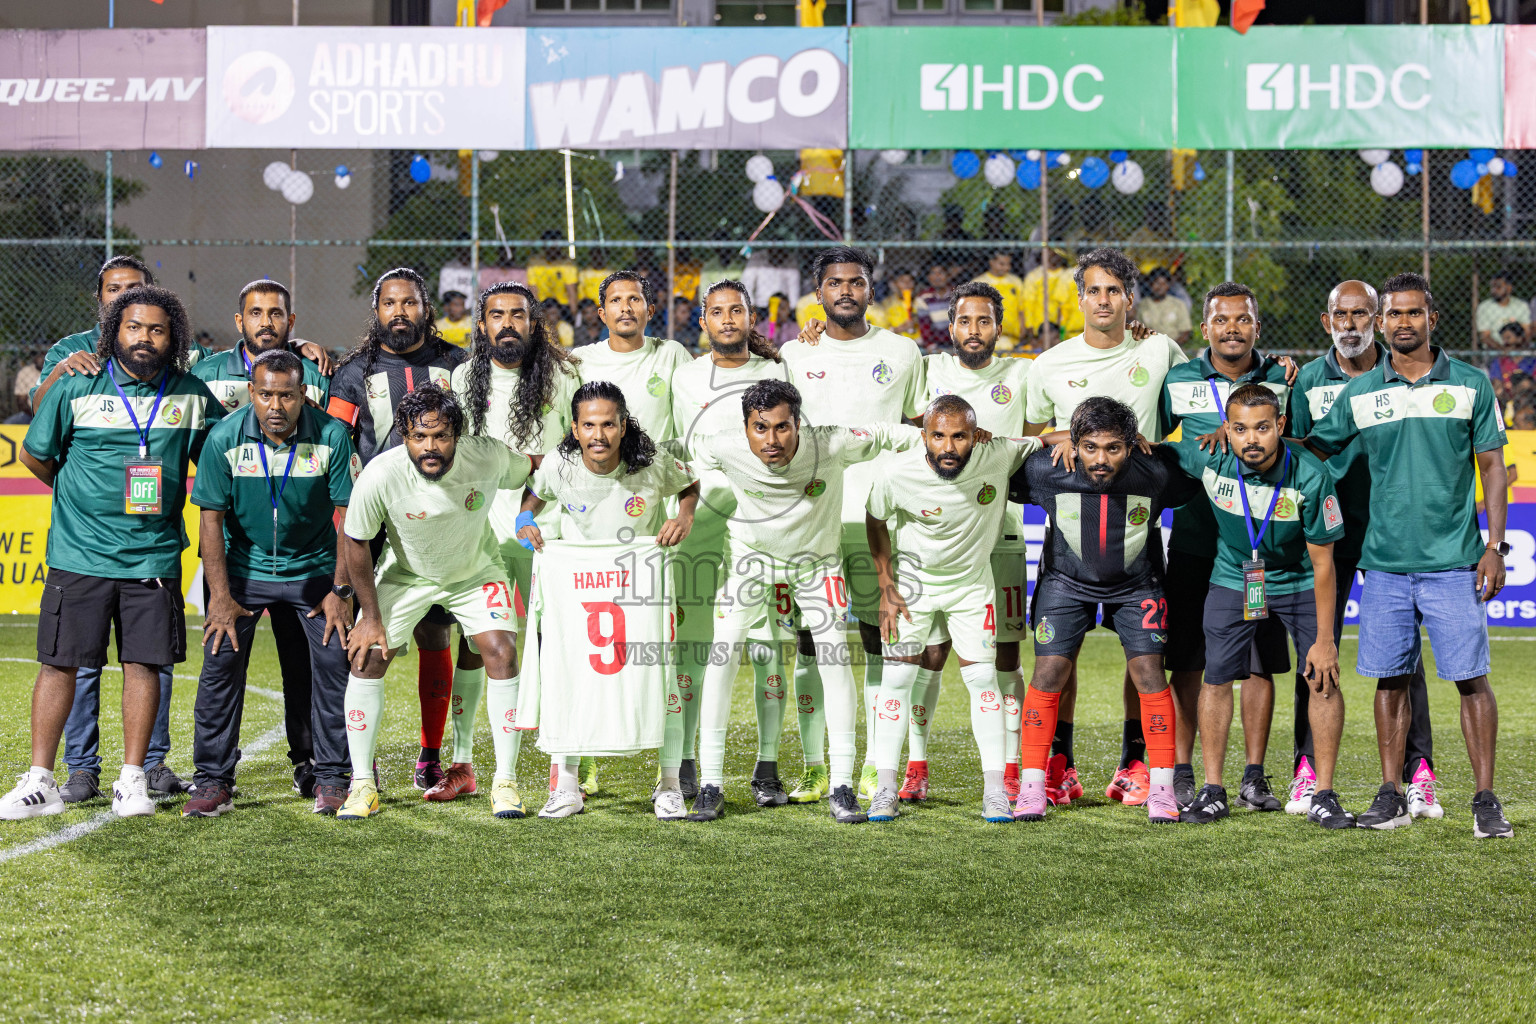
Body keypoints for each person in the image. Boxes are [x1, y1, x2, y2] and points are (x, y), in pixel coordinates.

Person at [0, 285, 224, 820]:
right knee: (60, 665)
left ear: (173, 339)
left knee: (143, 665)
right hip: (79, 555)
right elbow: (36, 454)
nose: (144, 338)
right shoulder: (77, 384)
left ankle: (131, 779)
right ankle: (40, 780)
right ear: (113, 332)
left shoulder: (191, 393)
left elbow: (221, 450)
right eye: (133, 327)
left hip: (152, 556)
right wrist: (80, 498)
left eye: (156, 330)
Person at [1305, 272, 1513, 839]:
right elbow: (1314, 448)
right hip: (1386, 564)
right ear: (1381, 322)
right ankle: (1391, 794)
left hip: (1454, 562)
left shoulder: (1471, 383)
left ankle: (1485, 800)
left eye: (1413, 313)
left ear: (1432, 318)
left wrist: (1494, 546)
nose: (1402, 323)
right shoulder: (1363, 391)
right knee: (1390, 682)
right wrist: (1247, 433)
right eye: (1392, 314)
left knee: (1472, 681)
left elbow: (1493, 467)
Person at [678, 379, 922, 823]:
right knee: (722, 653)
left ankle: (842, 784)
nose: (772, 440)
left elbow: (889, 433)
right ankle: (711, 783)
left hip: (817, 565)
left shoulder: (829, 443)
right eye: (760, 428)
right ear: (746, 427)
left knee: (833, 657)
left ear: (799, 423)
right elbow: (671, 456)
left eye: (782, 427)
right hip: (751, 560)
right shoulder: (721, 446)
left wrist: (941, 434)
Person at [1023, 247, 1186, 809]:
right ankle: (1058, 765)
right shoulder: (1049, 363)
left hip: (1135, 528)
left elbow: (1191, 414)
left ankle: (1136, 762)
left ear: (1130, 297)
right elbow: (1028, 438)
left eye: (1114, 290)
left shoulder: (1159, 348)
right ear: (1080, 297)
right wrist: (1057, 438)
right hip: (1072, 532)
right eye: (1094, 290)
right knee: (1056, 657)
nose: (1103, 300)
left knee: (1142, 658)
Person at [337, 385, 532, 820]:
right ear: (404, 436)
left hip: (475, 572)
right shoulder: (380, 474)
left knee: (501, 651)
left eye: (441, 436)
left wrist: (527, 513)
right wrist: (369, 617)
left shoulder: (488, 456)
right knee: (366, 657)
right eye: (418, 437)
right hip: (408, 575)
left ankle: (505, 782)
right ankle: (362, 785)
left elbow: (533, 471)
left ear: (457, 435)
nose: (430, 447)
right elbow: (356, 542)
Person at [1167, 385, 1354, 828]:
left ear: (1281, 427)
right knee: (1215, 678)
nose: (1252, 439)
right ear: (1226, 431)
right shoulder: (1209, 458)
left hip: (1299, 581)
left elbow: (1324, 563)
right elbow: (1155, 449)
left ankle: (1324, 794)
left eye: (1263, 428)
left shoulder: (1311, 475)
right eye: (1241, 429)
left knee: (1322, 679)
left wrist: (1325, 641)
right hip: (1235, 577)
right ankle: (1213, 790)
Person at [777, 246, 925, 803]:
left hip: (877, 519)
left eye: (856, 282)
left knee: (878, 637)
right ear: (818, 293)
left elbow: (919, 430)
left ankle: (875, 764)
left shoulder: (903, 352)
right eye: (834, 282)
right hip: (811, 520)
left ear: (870, 288)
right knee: (811, 642)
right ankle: (818, 767)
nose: (845, 291)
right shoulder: (794, 353)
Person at [1009, 397, 1200, 825]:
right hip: (1064, 582)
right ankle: (1034, 786)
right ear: (1074, 444)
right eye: (1090, 447)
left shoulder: (1157, 472)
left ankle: (1163, 790)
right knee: (1049, 673)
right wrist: (1048, 439)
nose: (1100, 459)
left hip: (1137, 586)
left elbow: (1204, 464)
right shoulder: (1046, 470)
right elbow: (996, 455)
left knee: (1150, 674)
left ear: (1132, 446)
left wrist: (1222, 434)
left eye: (1113, 448)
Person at [184, 349, 358, 817]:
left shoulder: (332, 436)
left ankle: (332, 777)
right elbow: (210, 520)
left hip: (315, 571)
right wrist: (219, 597)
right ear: (251, 394)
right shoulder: (223, 438)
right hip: (244, 570)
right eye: (265, 395)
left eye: (286, 395)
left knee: (333, 667)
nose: (275, 406)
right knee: (219, 667)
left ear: (303, 393)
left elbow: (350, 519)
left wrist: (341, 591)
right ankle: (213, 780)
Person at [1287, 279, 1438, 817]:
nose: (1350, 324)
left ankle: (1417, 773)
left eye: (1361, 314)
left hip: (1393, 534)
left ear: (1377, 319)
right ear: (1326, 321)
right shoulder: (1305, 378)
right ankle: (1306, 772)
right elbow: (1298, 451)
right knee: (1314, 650)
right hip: (1329, 536)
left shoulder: (1402, 375)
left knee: (1405, 658)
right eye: (1340, 315)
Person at [517, 382, 700, 819]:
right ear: (575, 429)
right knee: (570, 680)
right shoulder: (560, 466)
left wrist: (684, 515)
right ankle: (566, 787)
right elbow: (534, 496)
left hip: (643, 588)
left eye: (607, 425)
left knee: (662, 681)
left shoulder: (651, 461)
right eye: (588, 426)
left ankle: (670, 784)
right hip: (581, 590)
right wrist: (525, 519)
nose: (598, 435)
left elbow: (690, 483)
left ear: (622, 426)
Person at [326, 268, 470, 794]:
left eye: (410, 302)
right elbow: (336, 446)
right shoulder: (352, 374)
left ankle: (432, 755)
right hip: (377, 522)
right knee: (369, 637)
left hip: (442, 517)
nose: (400, 312)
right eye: (390, 303)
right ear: (377, 310)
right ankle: (359, 766)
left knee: (437, 633)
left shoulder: (456, 364)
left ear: (425, 308)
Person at [865, 396, 1039, 823]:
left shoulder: (996, 454)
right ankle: (885, 788)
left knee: (983, 680)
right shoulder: (896, 472)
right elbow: (874, 520)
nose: (948, 447)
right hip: (913, 586)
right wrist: (886, 585)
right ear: (923, 435)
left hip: (970, 588)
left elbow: (1048, 439)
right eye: (938, 436)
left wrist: (1077, 440)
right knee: (898, 677)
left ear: (975, 436)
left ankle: (995, 791)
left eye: (959, 436)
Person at [193, 279, 335, 796]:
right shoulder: (205, 373)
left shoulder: (317, 370)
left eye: (277, 313)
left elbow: (331, 437)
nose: (266, 322)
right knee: (220, 664)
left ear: (291, 322)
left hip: (304, 555)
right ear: (240, 321)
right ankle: (210, 776)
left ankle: (312, 763)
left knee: (305, 665)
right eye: (256, 312)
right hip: (237, 548)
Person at [1155, 282, 1294, 813]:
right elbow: (1147, 439)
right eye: (1221, 320)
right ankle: (1186, 771)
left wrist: (1236, 432)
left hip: (1256, 556)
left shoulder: (1281, 379)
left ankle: (1254, 776)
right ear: (1205, 327)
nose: (1231, 329)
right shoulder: (1179, 380)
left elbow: (1297, 445)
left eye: (1242, 320)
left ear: (1256, 327)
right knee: (1189, 661)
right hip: (1195, 543)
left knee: (1259, 663)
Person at [450, 281, 582, 817]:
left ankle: (561, 766)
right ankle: (462, 761)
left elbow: (576, 445)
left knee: (556, 645)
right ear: (482, 326)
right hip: (483, 528)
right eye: (497, 315)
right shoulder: (463, 377)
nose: (508, 323)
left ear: (534, 322)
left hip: (550, 529)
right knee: (477, 642)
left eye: (518, 315)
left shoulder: (565, 375)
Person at [900, 282, 1031, 805]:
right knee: (928, 655)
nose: (973, 331)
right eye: (964, 321)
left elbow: (1052, 431)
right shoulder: (928, 371)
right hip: (932, 540)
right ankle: (916, 764)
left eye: (984, 321)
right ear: (949, 325)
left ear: (998, 326)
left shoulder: (1023, 372)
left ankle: (1014, 765)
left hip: (1002, 537)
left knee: (1004, 654)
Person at [669, 280, 792, 805]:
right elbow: (677, 452)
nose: (726, 319)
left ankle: (767, 765)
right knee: (694, 645)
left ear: (750, 317)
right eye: (716, 311)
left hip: (761, 528)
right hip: (700, 527)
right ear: (703, 321)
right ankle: (690, 759)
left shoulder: (778, 373)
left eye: (735, 310)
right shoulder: (686, 377)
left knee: (767, 645)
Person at [575, 271, 694, 444]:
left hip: (657, 468)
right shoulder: (580, 360)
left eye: (634, 299)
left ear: (650, 311)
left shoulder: (671, 353)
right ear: (602, 314)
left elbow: (695, 411)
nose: (626, 308)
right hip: (601, 469)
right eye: (616, 300)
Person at [1021, 248, 1085, 349]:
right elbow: (1028, 305)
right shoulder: (1034, 276)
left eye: (1058, 252)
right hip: (1044, 329)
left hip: (1060, 330)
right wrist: (1031, 331)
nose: (1054, 255)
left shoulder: (1066, 274)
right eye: (1051, 251)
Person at [970, 251, 1026, 352]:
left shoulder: (1016, 281)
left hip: (1013, 337)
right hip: (986, 337)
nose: (1006, 268)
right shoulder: (979, 282)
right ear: (992, 262)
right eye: (1002, 264)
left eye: (1008, 264)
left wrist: (1023, 328)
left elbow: (1021, 308)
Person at [1137, 268, 1192, 348]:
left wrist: (1171, 347)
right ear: (1150, 284)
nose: (1160, 287)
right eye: (1157, 283)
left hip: (1173, 348)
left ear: (1168, 285)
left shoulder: (1178, 304)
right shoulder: (1142, 305)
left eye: (1164, 283)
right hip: (1149, 348)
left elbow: (1185, 332)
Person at [1475, 272, 1530, 349]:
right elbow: (1485, 336)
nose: (1494, 290)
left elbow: (1527, 332)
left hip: (1518, 349)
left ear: (1509, 288)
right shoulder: (1484, 307)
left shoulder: (1521, 306)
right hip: (1494, 351)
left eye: (1498, 287)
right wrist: (1502, 350)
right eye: (1492, 287)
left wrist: (1517, 350)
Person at [526, 234, 579, 310]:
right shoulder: (535, 264)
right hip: (542, 304)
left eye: (555, 245)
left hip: (562, 305)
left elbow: (572, 293)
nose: (552, 248)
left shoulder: (567, 265)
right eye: (549, 245)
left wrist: (573, 316)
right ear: (543, 247)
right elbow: (533, 291)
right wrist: (536, 314)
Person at [912, 262, 954, 353]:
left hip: (957, 342)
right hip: (936, 344)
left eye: (940, 273)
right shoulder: (923, 298)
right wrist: (931, 346)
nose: (937, 277)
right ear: (928, 278)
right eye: (933, 273)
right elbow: (925, 325)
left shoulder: (957, 294)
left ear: (948, 275)